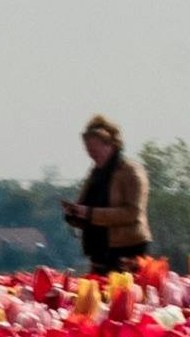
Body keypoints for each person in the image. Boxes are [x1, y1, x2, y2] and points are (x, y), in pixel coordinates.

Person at [61, 116, 151, 275]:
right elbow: (88, 209)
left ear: (109, 145)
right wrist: (75, 215)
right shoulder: (95, 173)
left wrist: (88, 213)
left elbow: (132, 213)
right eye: (88, 150)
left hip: (125, 250)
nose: (91, 155)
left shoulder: (131, 172)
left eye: (94, 150)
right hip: (98, 252)